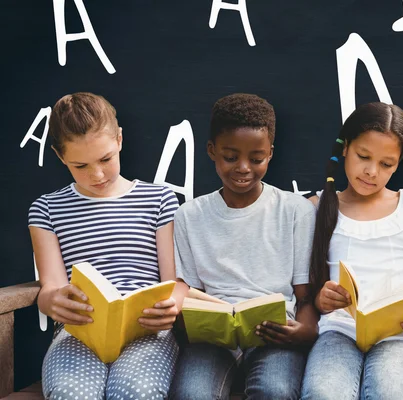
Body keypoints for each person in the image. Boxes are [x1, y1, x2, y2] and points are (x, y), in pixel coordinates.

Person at [28, 92, 187, 399]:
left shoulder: (160, 200)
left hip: (146, 329)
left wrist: (173, 305)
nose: (97, 174)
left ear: (119, 140)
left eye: (105, 159)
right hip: (80, 331)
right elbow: (50, 289)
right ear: (60, 157)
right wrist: (54, 301)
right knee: (69, 392)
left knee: (137, 391)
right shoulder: (46, 209)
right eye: (80, 165)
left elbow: (174, 281)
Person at [169, 93, 318, 400]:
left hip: (274, 334)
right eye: (231, 156)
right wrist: (185, 319)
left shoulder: (295, 210)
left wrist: (305, 331)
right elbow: (188, 292)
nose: (243, 168)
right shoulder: (190, 215)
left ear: (270, 154)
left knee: (274, 391)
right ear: (211, 150)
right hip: (213, 339)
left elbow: (304, 296)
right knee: (192, 393)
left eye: (256, 158)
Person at [300, 102, 403, 400]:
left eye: (386, 164)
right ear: (346, 147)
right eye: (363, 156)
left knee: (391, 392)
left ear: (400, 162)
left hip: (401, 333)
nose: (371, 172)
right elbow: (309, 288)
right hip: (339, 327)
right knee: (323, 393)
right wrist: (323, 298)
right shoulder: (318, 207)